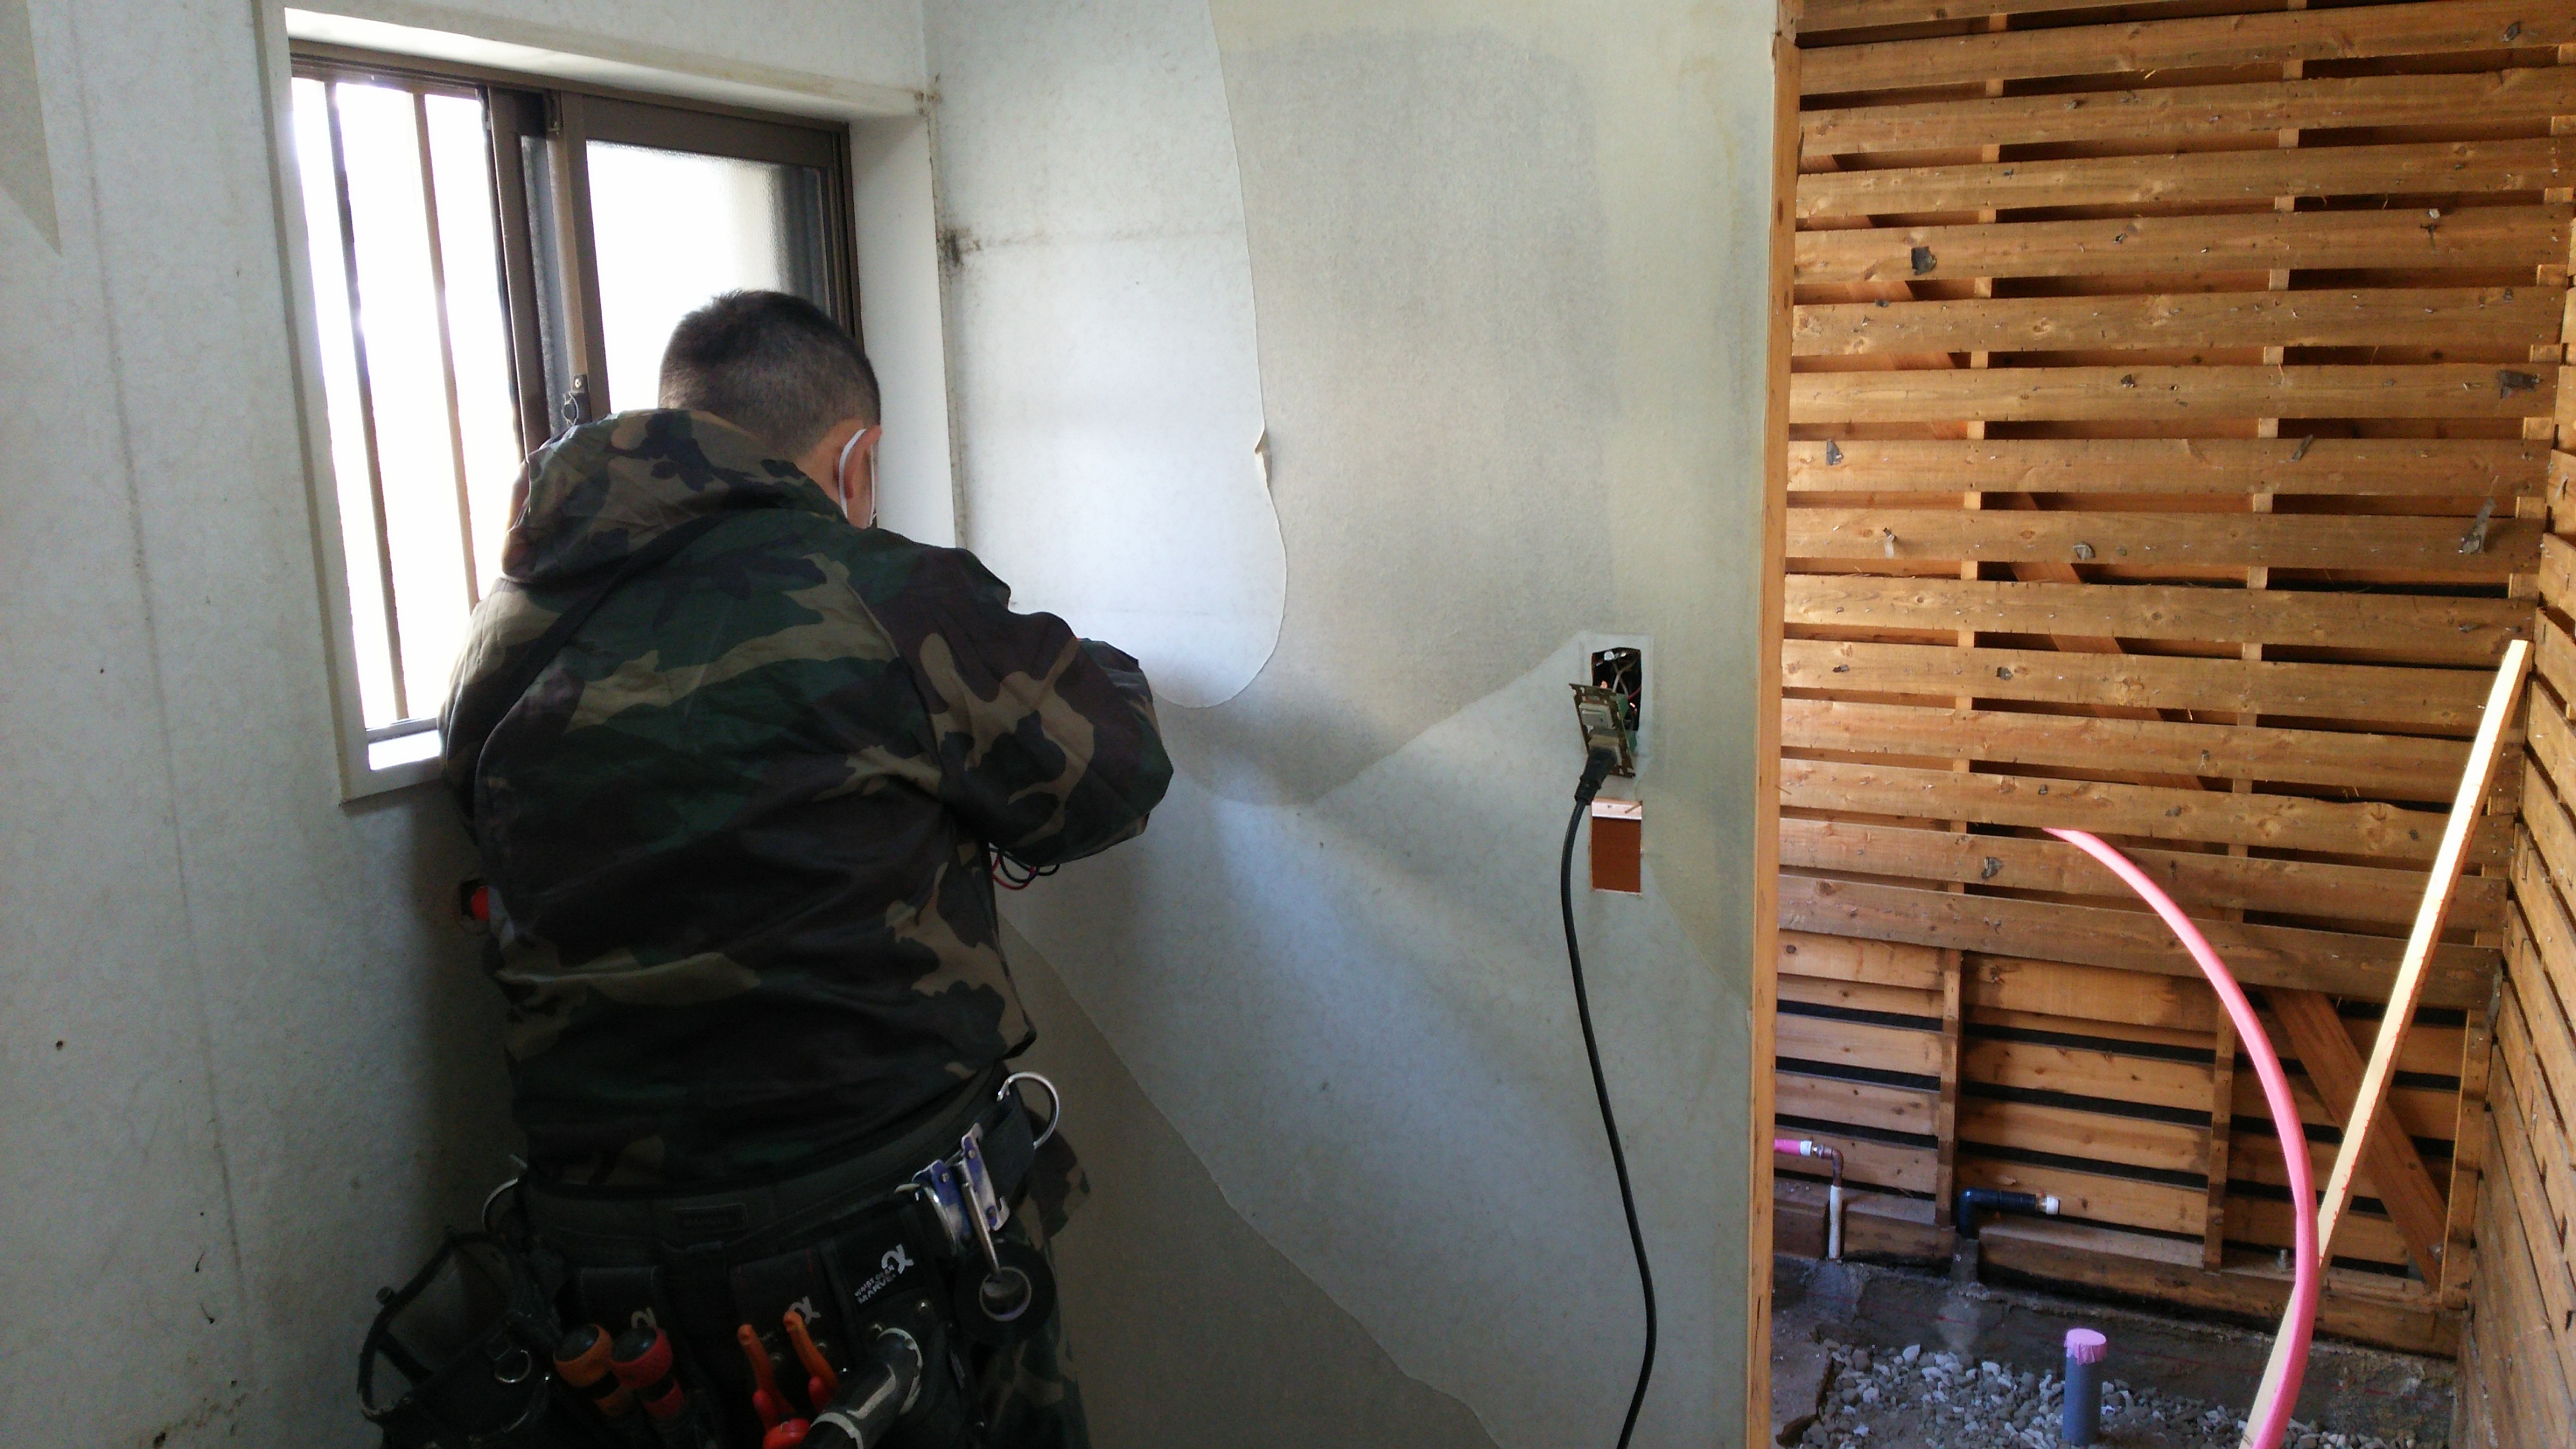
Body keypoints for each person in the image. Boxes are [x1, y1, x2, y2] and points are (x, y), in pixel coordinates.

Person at [440, 290, 1170, 1449]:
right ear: (855, 459)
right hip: (876, 1244)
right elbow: (1114, 773)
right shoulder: (877, 591)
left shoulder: (503, 640)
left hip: (596, 1277)